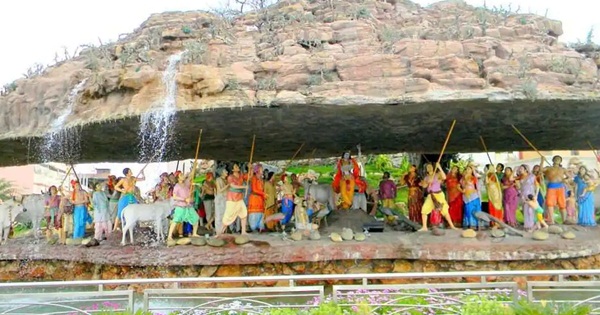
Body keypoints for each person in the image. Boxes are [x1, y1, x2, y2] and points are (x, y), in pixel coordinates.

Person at [417, 163, 457, 232]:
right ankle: (424, 227)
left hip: (439, 194)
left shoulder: (437, 174)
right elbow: (424, 186)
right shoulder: (426, 177)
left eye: (430, 166)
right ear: (426, 169)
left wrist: (439, 167)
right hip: (431, 195)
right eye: (427, 167)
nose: (429, 168)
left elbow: (444, 177)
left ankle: (452, 226)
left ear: (433, 167)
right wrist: (425, 183)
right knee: (424, 210)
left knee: (444, 210)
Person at [218, 163, 248, 236]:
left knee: (244, 213)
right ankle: (220, 232)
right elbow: (232, 186)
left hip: (239, 198)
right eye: (236, 166)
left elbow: (249, 176)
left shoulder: (241, 176)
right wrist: (243, 187)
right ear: (232, 169)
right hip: (232, 198)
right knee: (228, 215)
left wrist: (250, 168)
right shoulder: (230, 177)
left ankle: (243, 231)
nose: (237, 167)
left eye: (237, 166)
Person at [167, 172, 200, 240]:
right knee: (175, 220)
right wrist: (184, 199)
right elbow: (175, 197)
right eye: (181, 175)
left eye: (183, 174)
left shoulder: (186, 183)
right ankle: (169, 236)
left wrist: (194, 167)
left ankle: (194, 233)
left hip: (188, 206)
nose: (183, 175)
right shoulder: (177, 186)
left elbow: (191, 175)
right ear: (178, 178)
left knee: (196, 218)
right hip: (180, 206)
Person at [542, 155, 568, 224]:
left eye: (559, 159)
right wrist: (542, 160)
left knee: (562, 204)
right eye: (555, 159)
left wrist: (565, 180)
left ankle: (564, 220)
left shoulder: (563, 169)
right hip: (551, 186)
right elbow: (540, 171)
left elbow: (569, 176)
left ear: (560, 161)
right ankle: (551, 220)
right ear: (553, 160)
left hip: (560, 186)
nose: (557, 160)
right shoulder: (548, 168)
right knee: (550, 203)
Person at [247, 163, 267, 232]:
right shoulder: (254, 178)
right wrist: (263, 193)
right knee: (254, 214)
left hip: (260, 199)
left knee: (261, 214)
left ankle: (260, 227)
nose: (262, 170)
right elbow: (254, 189)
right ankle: (253, 227)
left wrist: (264, 196)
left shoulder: (261, 179)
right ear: (258, 170)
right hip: (254, 198)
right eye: (261, 169)